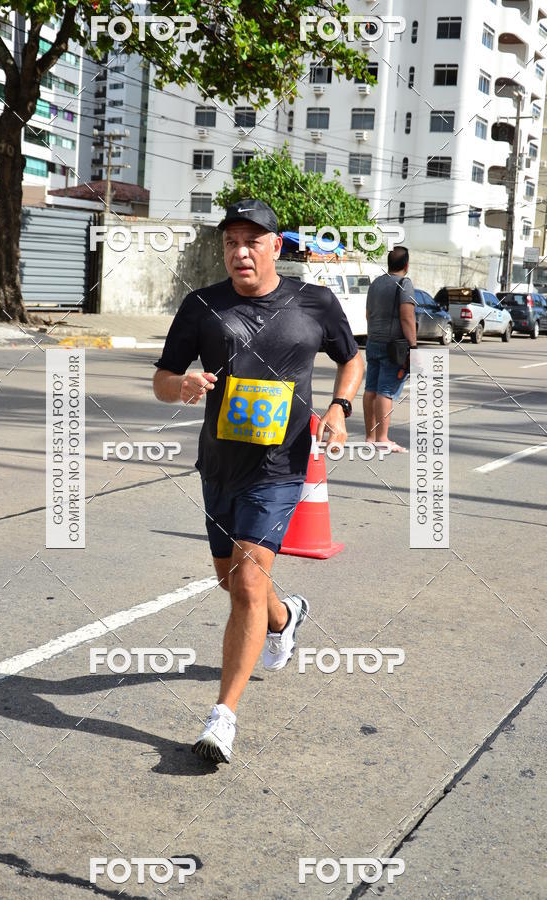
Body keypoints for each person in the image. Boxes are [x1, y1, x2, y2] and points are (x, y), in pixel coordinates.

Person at [153, 199, 363, 763]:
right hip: (218, 464)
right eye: (230, 243)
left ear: (276, 246)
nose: (239, 252)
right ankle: (286, 615)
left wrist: (341, 408)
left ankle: (222, 718)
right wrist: (184, 386)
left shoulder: (314, 301)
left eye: (252, 241)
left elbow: (352, 359)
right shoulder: (202, 305)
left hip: (280, 466)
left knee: (245, 584)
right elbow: (162, 380)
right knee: (233, 582)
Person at [363, 246, 417, 453]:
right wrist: (413, 347)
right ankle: (383, 438)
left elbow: (368, 314)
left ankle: (371, 437)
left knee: (371, 390)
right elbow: (407, 317)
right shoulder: (405, 284)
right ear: (406, 265)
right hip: (394, 346)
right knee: (385, 392)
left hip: (373, 341)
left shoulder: (376, 283)